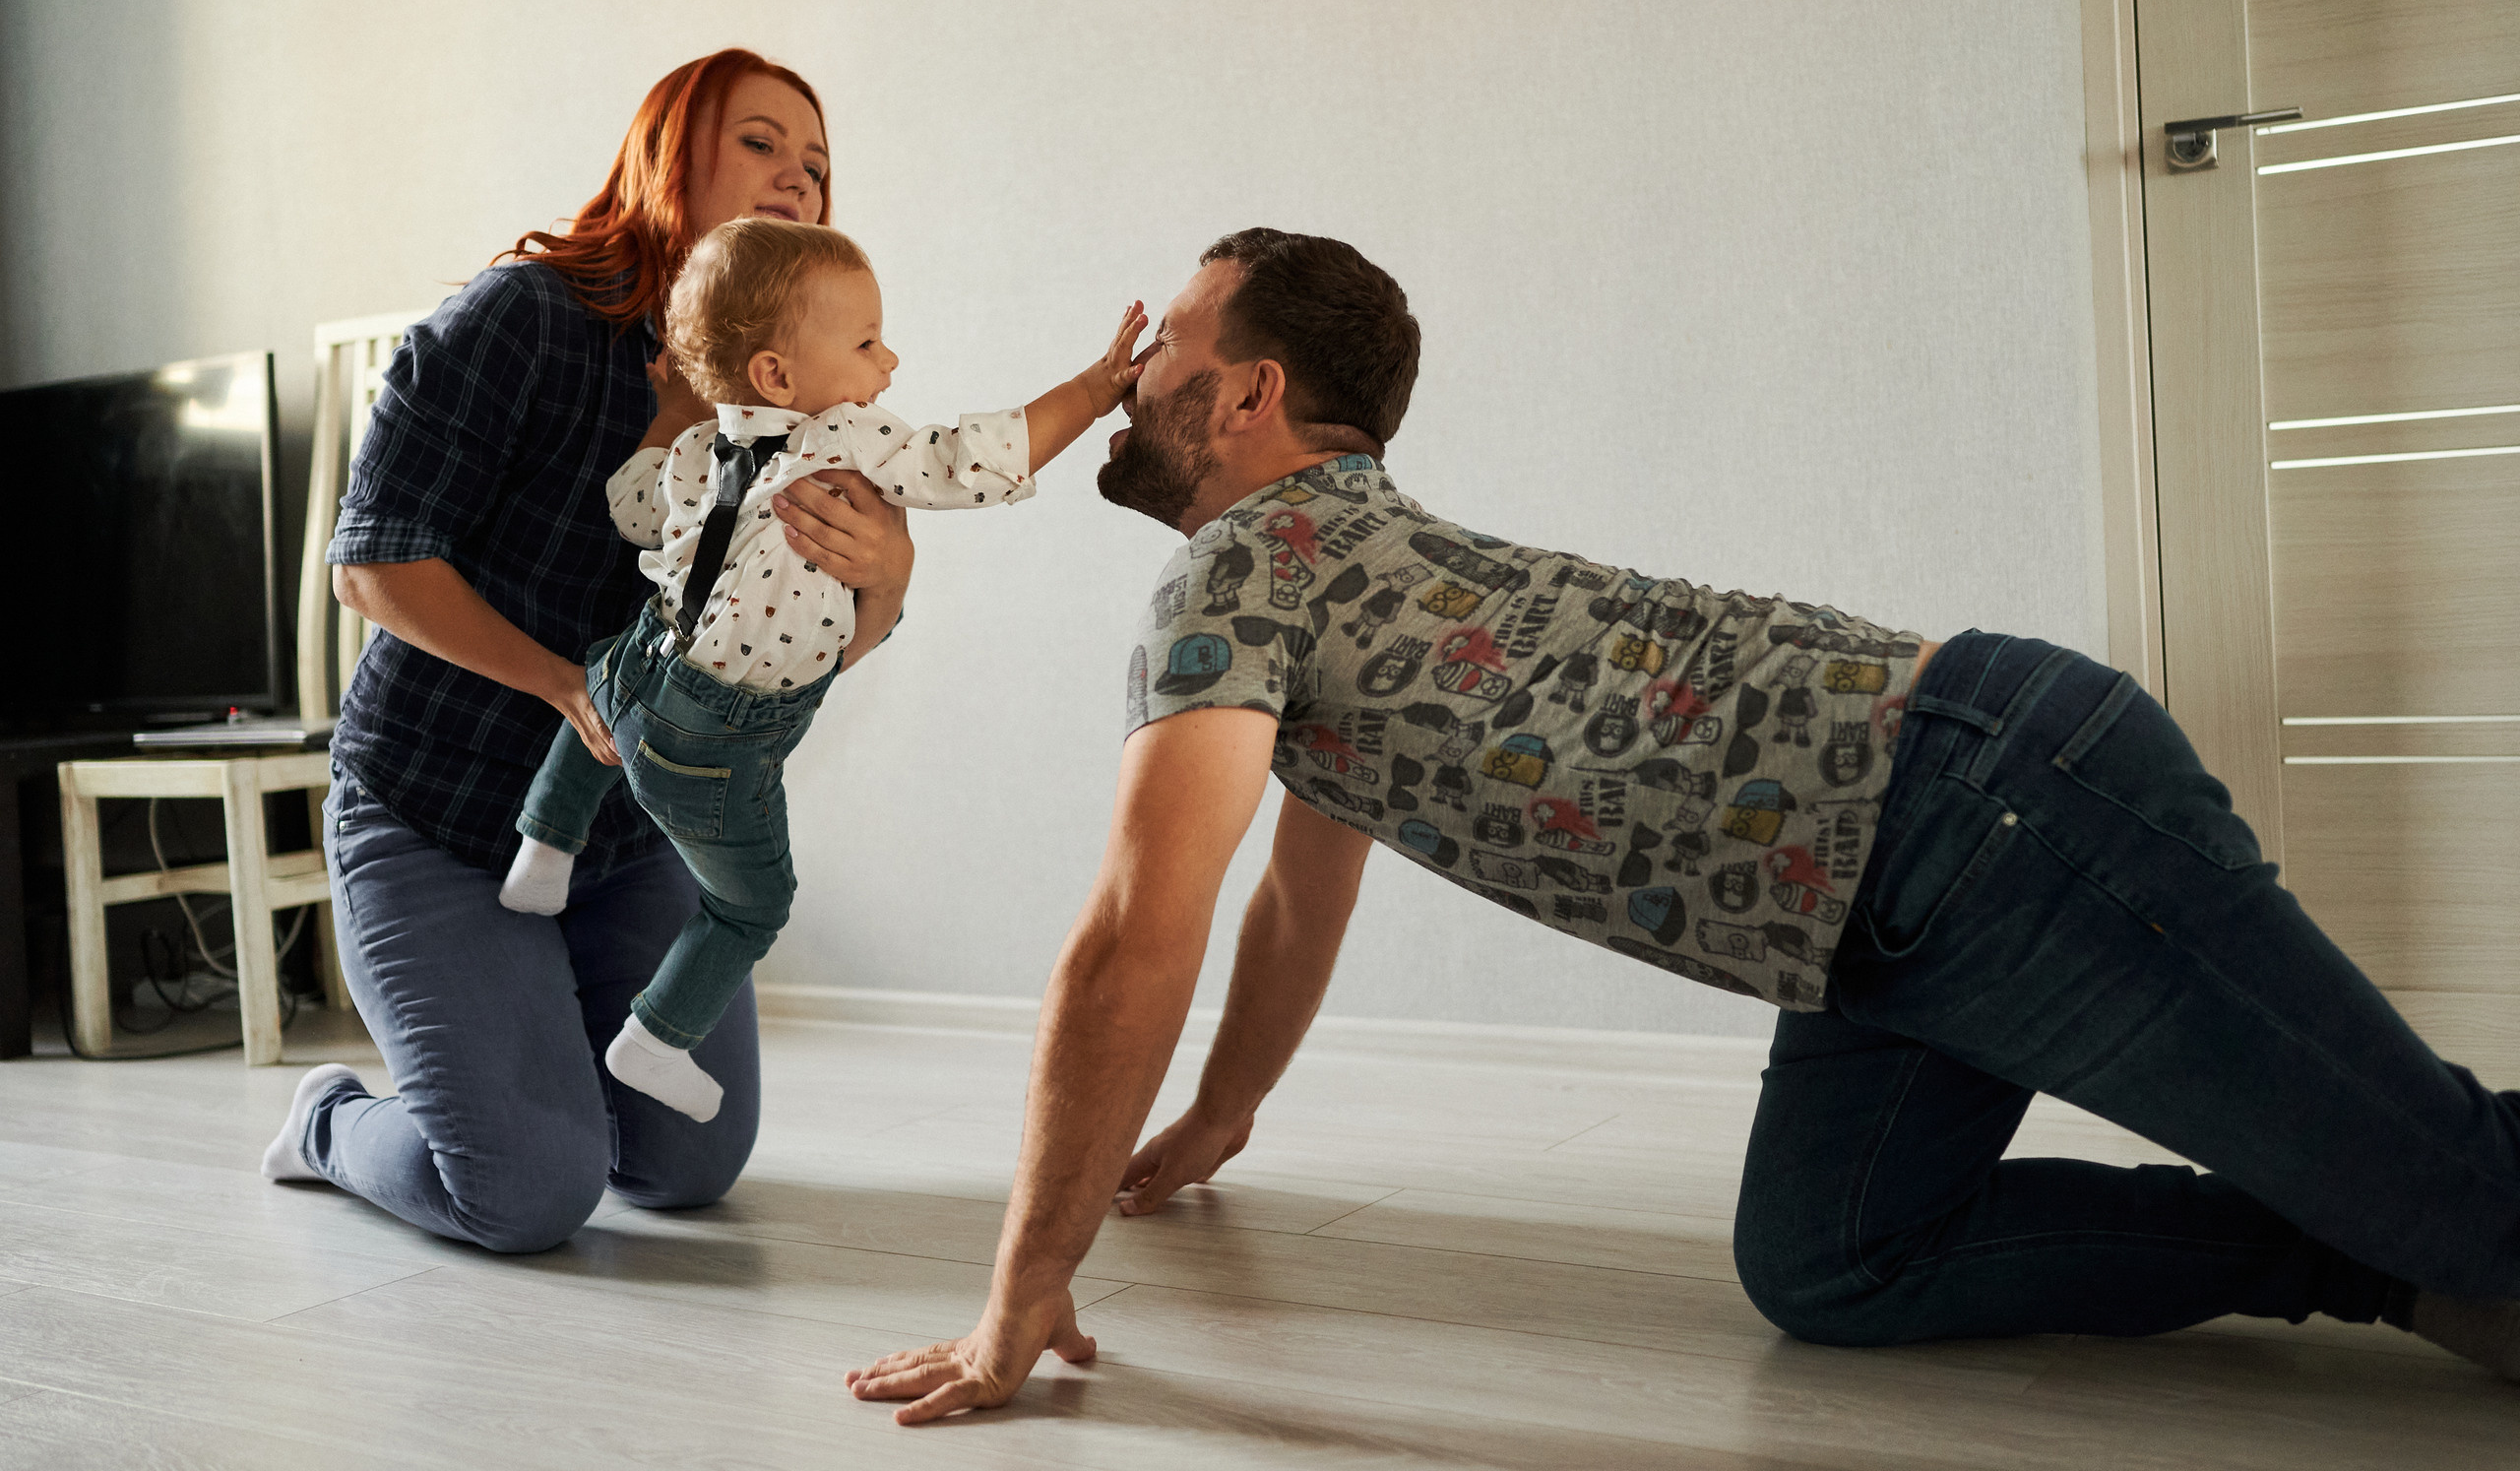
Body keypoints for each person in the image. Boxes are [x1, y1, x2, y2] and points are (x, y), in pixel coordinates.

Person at [827, 228, 2520, 1421]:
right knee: (1832, 1260)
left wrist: (1016, 1289)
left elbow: (1139, 925)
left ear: (1251, 393)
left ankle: (2410, 1222)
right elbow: (1301, 877)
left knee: (2467, 1194)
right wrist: (1221, 1107)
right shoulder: (1335, 572)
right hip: (1867, 923)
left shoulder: (1238, 569)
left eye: (1167, 349)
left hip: (1991, 814)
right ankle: (2359, 1237)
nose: (1130, 377)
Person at [257, 49, 915, 1254]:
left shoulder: (807, 385)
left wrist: (889, 580)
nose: (797, 180)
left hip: (627, 837)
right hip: (435, 819)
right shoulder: (526, 319)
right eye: (761, 143)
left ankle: (528, 1050)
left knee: (686, 1168)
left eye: (816, 166)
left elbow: (804, 645)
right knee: (524, 1195)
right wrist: (564, 682)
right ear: (671, 154)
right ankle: (332, 1123)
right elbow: (376, 564)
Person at [496, 215, 1144, 1121]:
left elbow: (630, 509)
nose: (891, 363)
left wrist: (669, 417)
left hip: (640, 677)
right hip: (716, 741)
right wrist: (1094, 386)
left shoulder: (695, 452)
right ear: (778, 376)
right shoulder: (846, 436)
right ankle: (654, 1037)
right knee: (753, 906)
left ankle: (545, 843)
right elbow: (978, 457)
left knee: (605, 689)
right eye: (869, 342)